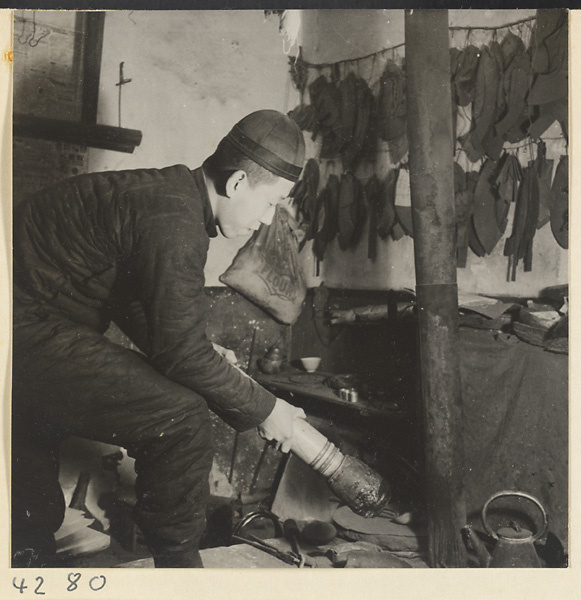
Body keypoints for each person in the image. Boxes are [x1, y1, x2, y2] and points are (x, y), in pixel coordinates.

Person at [12, 109, 307, 568]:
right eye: (270, 203)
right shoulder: (174, 218)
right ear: (236, 185)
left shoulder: (168, 194)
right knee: (183, 418)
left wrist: (200, 350)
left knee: (26, 501)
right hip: (21, 328)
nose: (267, 220)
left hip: (27, 326)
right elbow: (180, 354)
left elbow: (133, 299)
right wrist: (267, 409)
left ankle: (26, 559)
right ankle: (179, 575)